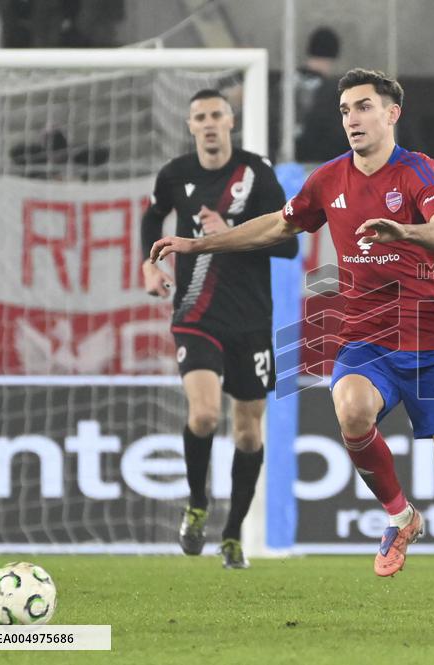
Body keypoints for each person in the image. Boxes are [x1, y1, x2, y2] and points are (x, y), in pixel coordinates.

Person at [150, 69, 434, 620]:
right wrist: (198, 242)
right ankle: (400, 517)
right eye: (345, 109)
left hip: (431, 343)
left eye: (364, 107)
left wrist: (407, 232)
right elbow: (276, 227)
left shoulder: (418, 170)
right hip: (365, 338)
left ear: (391, 113)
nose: (352, 118)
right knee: (350, 409)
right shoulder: (328, 180)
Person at [140, 89, 299, 569]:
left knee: (248, 433)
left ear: (230, 122)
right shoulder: (175, 175)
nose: (209, 124)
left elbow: (289, 247)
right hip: (195, 313)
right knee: (205, 414)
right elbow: (152, 217)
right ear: (190, 126)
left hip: (251, 320)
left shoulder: (258, 174)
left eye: (216, 115)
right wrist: (149, 267)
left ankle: (232, 535)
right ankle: (196, 504)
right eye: (200, 117)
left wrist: (228, 228)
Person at [294, 27, 351, 163]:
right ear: (334, 56)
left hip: (287, 165)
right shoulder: (332, 92)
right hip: (317, 164)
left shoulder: (285, 84)